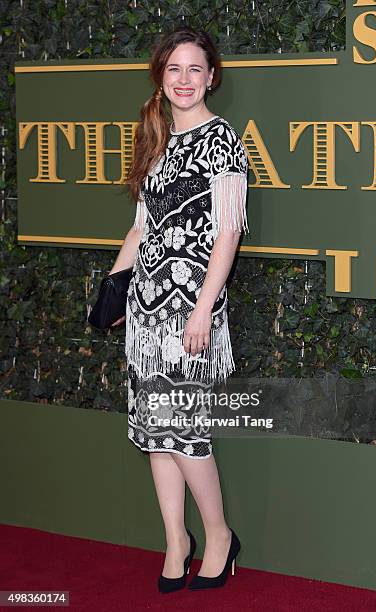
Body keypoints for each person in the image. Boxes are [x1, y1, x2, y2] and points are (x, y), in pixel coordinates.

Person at [109, 26, 249, 593]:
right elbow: (141, 227)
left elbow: (228, 234)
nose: (184, 80)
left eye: (195, 69)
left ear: (212, 76)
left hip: (192, 313)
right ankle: (176, 541)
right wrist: (115, 291)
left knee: (185, 431)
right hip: (146, 313)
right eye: (174, 70)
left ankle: (217, 535)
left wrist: (202, 310)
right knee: (154, 432)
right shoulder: (158, 141)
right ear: (160, 79)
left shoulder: (223, 141)